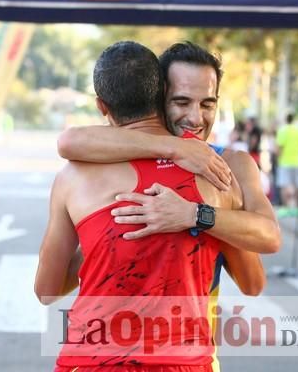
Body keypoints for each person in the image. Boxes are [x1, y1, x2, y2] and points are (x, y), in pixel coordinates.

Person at [38, 42, 279, 370]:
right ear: (159, 95)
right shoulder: (211, 180)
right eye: (182, 101)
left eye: (208, 104)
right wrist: (107, 240)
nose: (195, 117)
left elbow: (256, 273)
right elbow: (68, 141)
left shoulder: (228, 167)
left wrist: (195, 215)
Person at [275, 113, 298, 217]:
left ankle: (285, 207)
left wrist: (277, 158)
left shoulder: (282, 130)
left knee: (284, 185)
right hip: (297, 162)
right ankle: (296, 207)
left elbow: (279, 147)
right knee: (296, 185)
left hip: (284, 162)